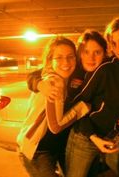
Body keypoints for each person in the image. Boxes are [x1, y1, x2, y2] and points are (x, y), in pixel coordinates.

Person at [65, 16, 119, 177]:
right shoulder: (106, 69)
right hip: (85, 138)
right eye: (114, 43)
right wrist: (93, 137)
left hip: (113, 137)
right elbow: (77, 105)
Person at [25, 29, 109, 177]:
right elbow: (34, 75)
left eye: (97, 52)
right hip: (40, 150)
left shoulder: (96, 73)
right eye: (86, 52)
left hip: (66, 144)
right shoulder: (59, 77)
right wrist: (39, 84)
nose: (91, 58)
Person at [17, 36, 90, 177]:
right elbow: (55, 127)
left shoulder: (73, 76)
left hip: (58, 147)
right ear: (50, 60)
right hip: (38, 151)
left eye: (70, 57)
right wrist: (82, 108)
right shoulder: (53, 81)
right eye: (59, 58)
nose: (66, 62)